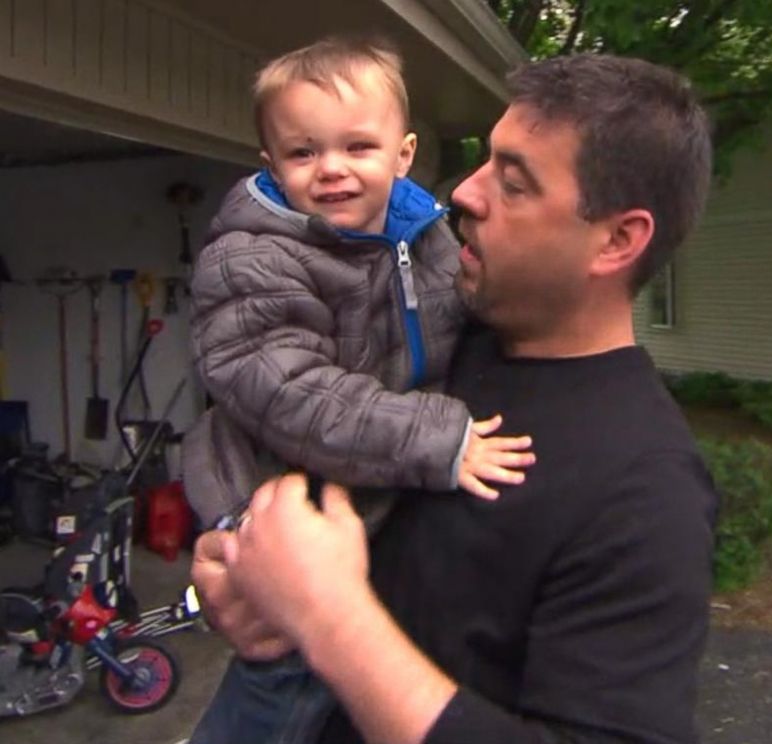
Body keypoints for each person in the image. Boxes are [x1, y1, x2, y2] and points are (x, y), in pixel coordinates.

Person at [193, 52, 718, 743]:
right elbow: (284, 403)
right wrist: (235, 567)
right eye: (483, 162)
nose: (465, 192)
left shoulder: (646, 490)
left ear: (617, 239)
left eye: (513, 183)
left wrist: (333, 624)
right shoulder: (431, 338)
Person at [182, 35, 536, 744]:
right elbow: (293, 395)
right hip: (282, 509)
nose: (332, 168)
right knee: (282, 686)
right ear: (271, 164)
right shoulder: (252, 259)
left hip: (370, 504)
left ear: (403, 155)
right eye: (303, 152)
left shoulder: (426, 239)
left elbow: (465, 318)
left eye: (358, 147)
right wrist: (439, 438)